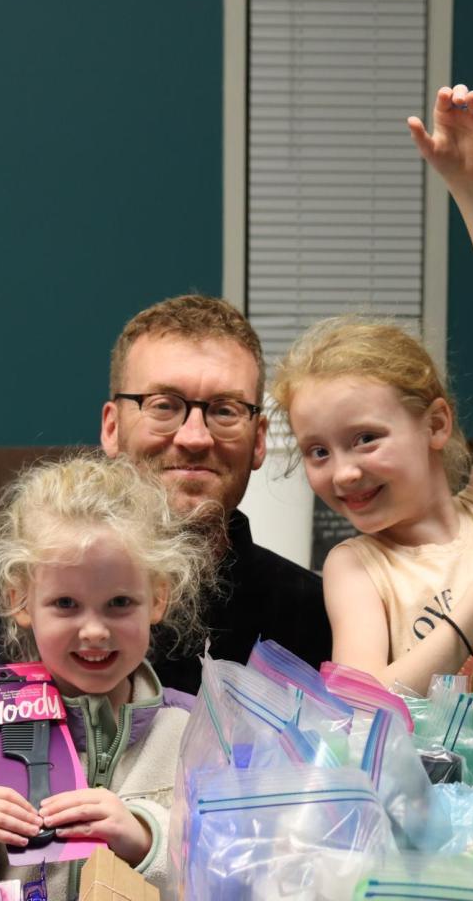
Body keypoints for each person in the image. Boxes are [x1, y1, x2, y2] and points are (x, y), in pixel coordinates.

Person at [271, 84, 473, 696]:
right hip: (457, 796)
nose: (342, 473)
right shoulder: (356, 567)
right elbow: (361, 703)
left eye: (365, 438)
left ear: (436, 425)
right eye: (318, 450)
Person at [0, 453, 215, 897]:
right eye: (65, 604)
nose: (95, 631)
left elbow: (232, 870)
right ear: (21, 602)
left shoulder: (196, 732)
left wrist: (145, 840)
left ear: (158, 598)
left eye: (120, 603)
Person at [99, 294, 333, 693]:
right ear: (112, 428)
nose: (194, 437)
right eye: (164, 406)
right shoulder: (46, 599)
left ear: (259, 441)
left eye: (225, 410)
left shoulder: (319, 616)